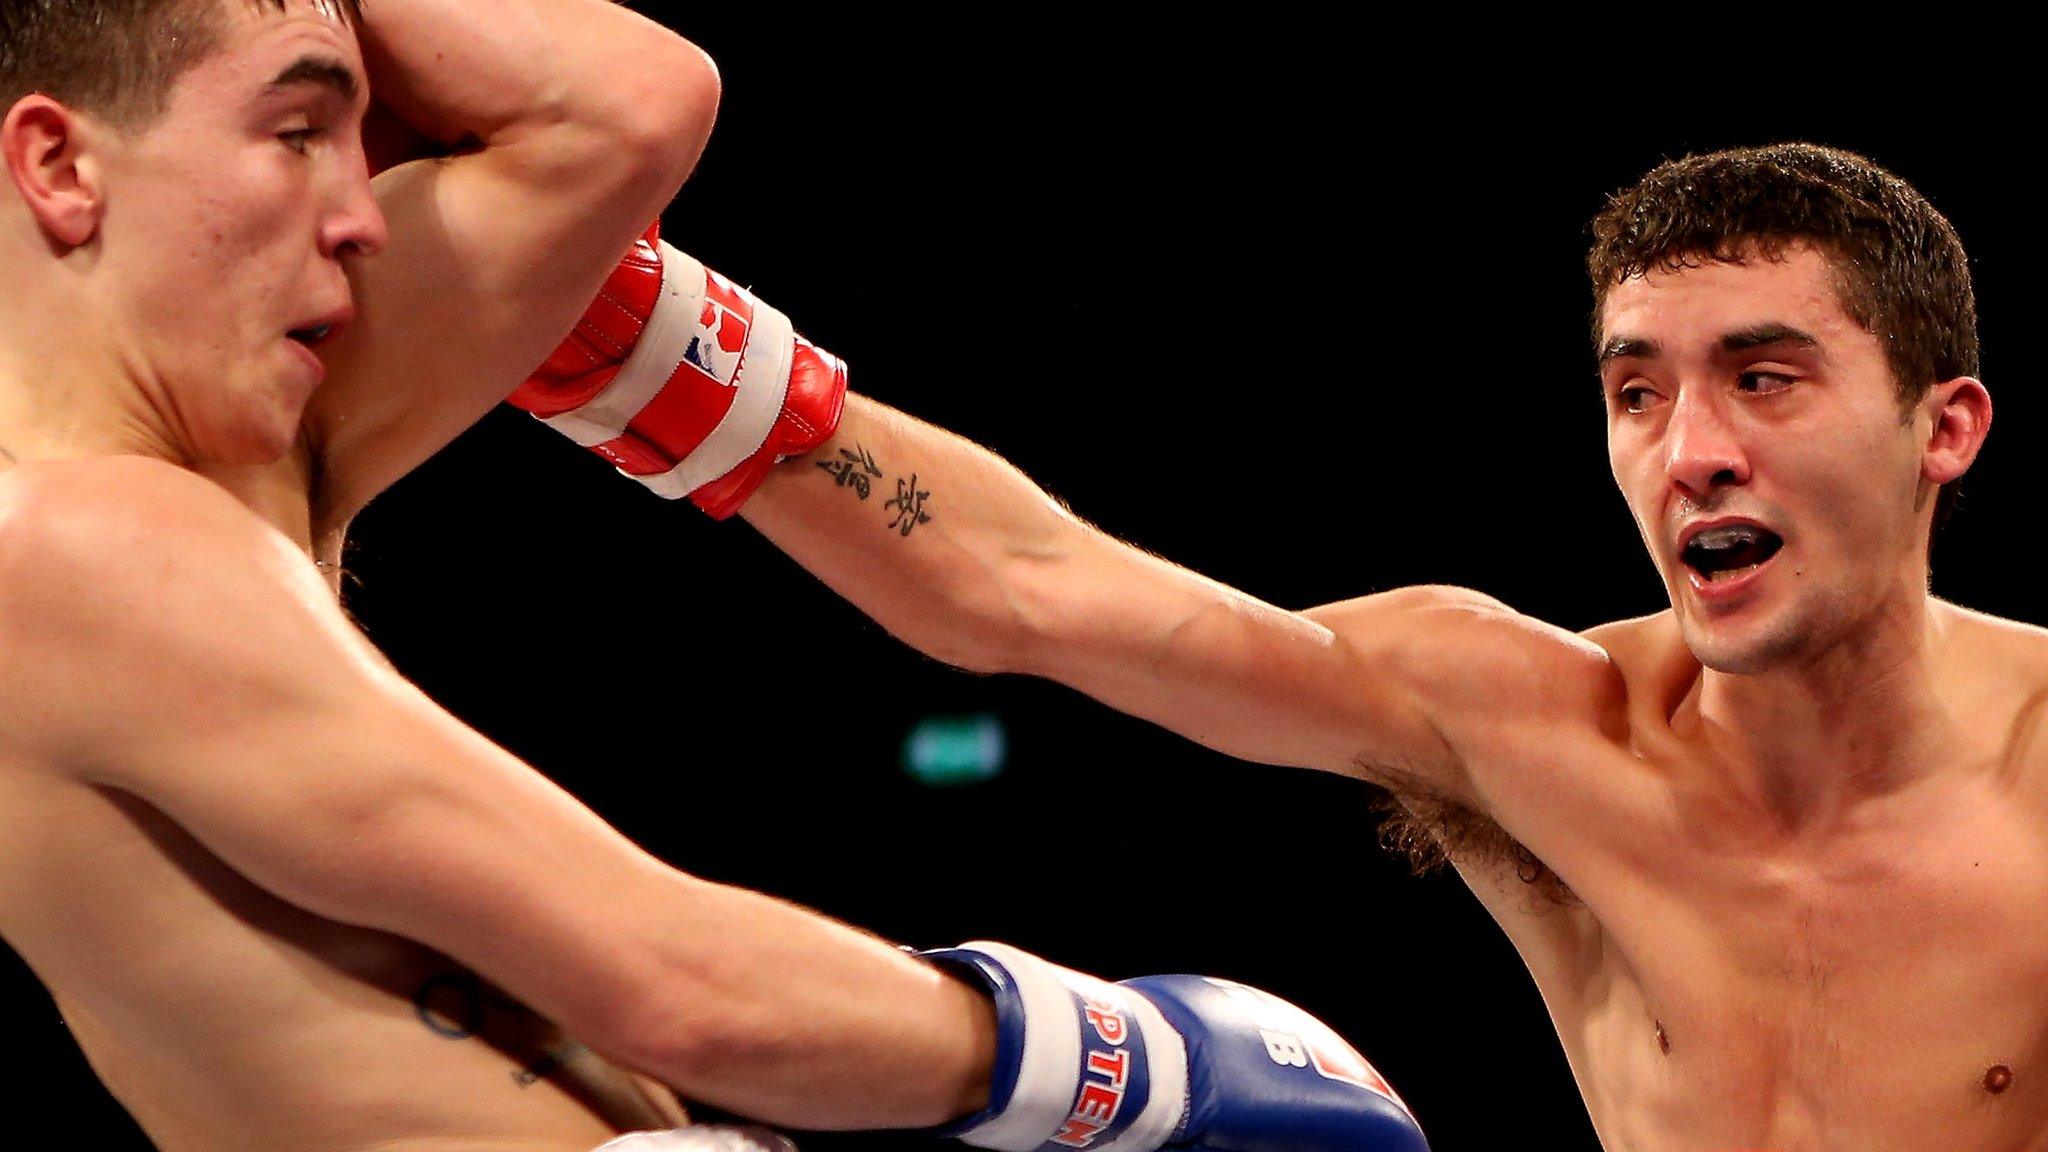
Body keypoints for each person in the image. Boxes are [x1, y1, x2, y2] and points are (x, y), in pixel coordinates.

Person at [0, 2, 1430, 1151]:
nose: (366, 207)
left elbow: (627, 107)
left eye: (361, 135)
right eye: (300, 131)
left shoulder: (244, 448)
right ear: (61, 167)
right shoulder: (77, 548)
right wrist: (1141, 1067)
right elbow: (681, 988)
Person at [517, 139, 2035, 1150]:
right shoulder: (1532, 727)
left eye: (1764, 379)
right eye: (1638, 393)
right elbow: (1024, 585)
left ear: (1942, 427)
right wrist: (625, 336)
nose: (1689, 450)